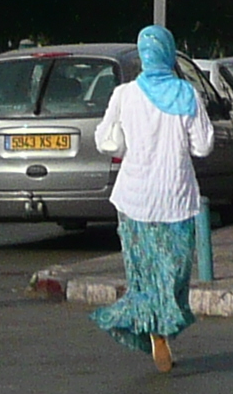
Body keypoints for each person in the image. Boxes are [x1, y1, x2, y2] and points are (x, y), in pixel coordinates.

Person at [92, 21, 219, 375]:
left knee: (142, 273)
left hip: (134, 199)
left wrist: (124, 139)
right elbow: (204, 145)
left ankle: (151, 326)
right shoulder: (188, 94)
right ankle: (162, 328)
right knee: (174, 272)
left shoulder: (123, 95)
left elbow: (107, 141)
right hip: (176, 197)